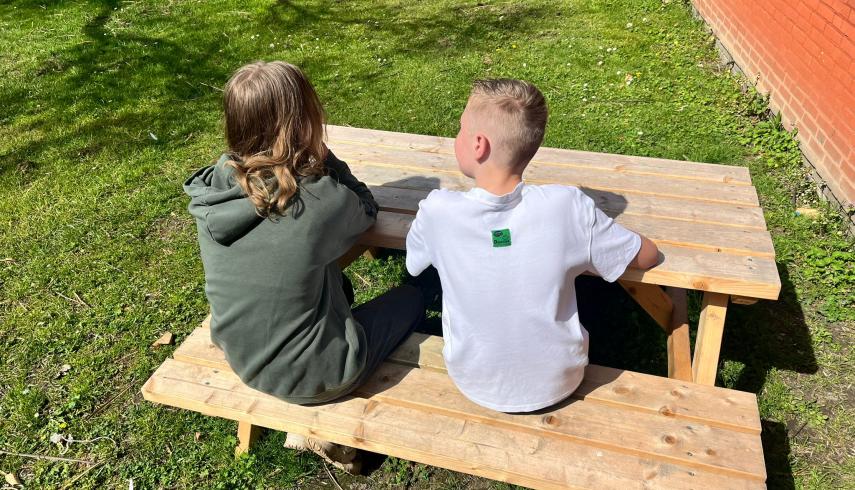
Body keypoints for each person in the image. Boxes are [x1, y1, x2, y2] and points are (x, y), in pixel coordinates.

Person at [184, 61, 424, 472]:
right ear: (304, 123)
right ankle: (344, 437)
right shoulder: (319, 199)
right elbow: (365, 207)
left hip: (241, 354)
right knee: (419, 292)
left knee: (331, 283)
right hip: (320, 373)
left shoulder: (215, 186)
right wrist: (324, 158)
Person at [405, 79, 659, 413]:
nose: (457, 136)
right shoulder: (568, 206)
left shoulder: (438, 211)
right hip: (561, 381)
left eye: (460, 129)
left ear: (478, 145)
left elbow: (413, 263)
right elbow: (645, 256)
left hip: (473, 380)